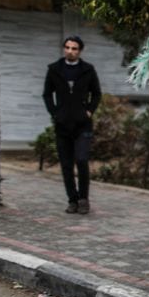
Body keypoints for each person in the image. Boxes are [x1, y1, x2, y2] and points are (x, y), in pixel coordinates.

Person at [42, 35, 102, 214]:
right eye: (67, 47)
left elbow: (96, 94)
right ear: (64, 49)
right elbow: (47, 94)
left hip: (82, 124)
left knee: (82, 160)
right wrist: (54, 113)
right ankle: (72, 200)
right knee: (66, 165)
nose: (70, 51)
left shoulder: (88, 70)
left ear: (80, 51)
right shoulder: (54, 69)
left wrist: (89, 111)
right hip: (62, 125)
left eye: (74, 48)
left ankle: (83, 199)